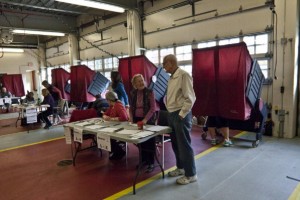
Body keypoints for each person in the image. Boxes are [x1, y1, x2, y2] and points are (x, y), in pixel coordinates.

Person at [162, 54, 197, 185]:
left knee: (184, 145)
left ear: (170, 63)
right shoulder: (171, 77)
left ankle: (191, 174)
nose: (163, 67)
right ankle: (181, 168)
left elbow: (190, 97)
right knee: (176, 144)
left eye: (164, 64)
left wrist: (182, 114)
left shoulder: (183, 75)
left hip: (180, 114)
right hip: (172, 114)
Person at [129, 74, 159, 173]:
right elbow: (131, 107)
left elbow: (153, 108)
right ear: (134, 84)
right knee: (141, 142)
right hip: (137, 119)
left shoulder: (150, 92)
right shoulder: (133, 92)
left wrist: (145, 120)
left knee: (149, 142)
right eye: (138, 81)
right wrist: (131, 119)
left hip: (148, 119)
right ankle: (144, 160)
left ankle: (151, 162)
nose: (141, 82)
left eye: (142, 80)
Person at [103, 91, 129, 160]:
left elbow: (124, 118)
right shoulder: (112, 106)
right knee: (104, 134)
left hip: (122, 127)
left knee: (107, 136)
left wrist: (112, 119)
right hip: (115, 126)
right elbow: (105, 113)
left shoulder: (118, 105)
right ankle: (115, 151)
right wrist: (105, 116)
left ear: (109, 99)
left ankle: (119, 152)